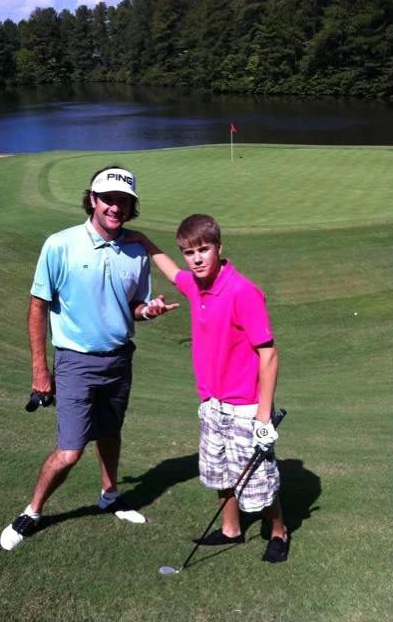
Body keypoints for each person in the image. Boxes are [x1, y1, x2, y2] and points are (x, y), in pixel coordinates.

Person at [0, 165, 179, 551]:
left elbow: (132, 307)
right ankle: (32, 511)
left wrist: (148, 312)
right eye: (108, 199)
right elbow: (38, 306)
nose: (116, 207)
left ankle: (110, 496)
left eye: (123, 201)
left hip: (119, 361)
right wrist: (40, 369)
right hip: (75, 362)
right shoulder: (60, 245)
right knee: (70, 451)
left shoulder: (136, 251)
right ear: (93, 200)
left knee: (110, 433)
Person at [129, 214, 289, 563]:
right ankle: (231, 530)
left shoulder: (242, 291)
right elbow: (173, 273)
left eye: (203, 250)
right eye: (189, 252)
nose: (197, 259)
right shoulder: (195, 285)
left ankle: (278, 531)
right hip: (212, 403)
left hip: (245, 406)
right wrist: (143, 240)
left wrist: (263, 417)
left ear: (219, 247)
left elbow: (269, 354)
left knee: (257, 482)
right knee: (220, 472)